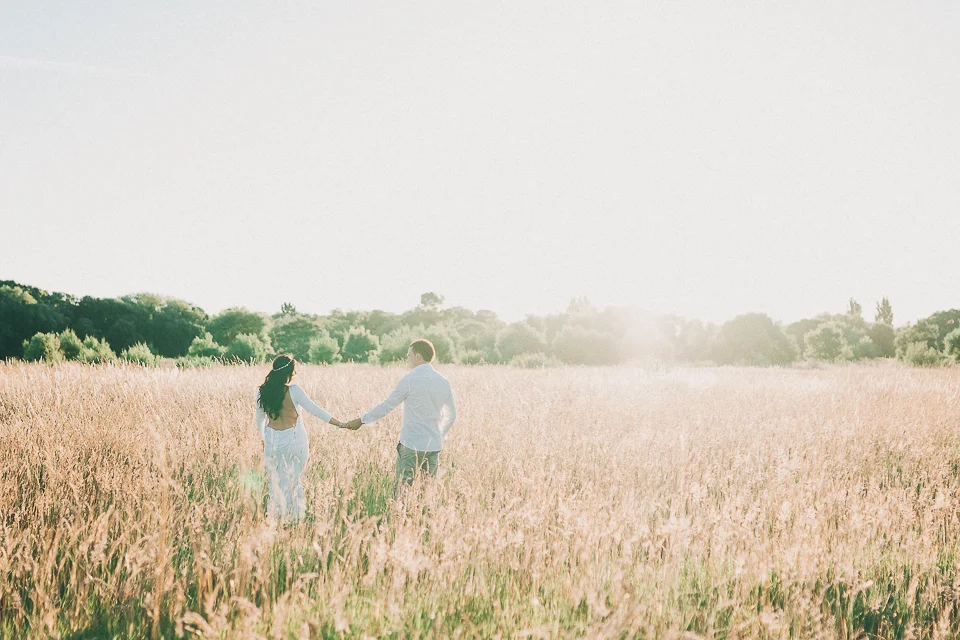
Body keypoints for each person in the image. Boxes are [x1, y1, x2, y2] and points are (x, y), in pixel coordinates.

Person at [344, 339, 456, 494]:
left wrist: (361, 420)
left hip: (411, 445)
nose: (407, 359)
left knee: (403, 494)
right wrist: (439, 434)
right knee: (428, 494)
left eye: (409, 356)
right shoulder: (443, 381)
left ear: (418, 357)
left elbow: (386, 406)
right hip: (433, 447)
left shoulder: (409, 380)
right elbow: (452, 415)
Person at [255, 354, 354, 521]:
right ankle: (293, 519)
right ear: (288, 373)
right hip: (293, 440)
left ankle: (276, 518)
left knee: (275, 481)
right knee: (293, 480)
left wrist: (263, 440)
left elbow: (259, 420)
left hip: (272, 441)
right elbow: (315, 410)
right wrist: (340, 424)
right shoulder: (294, 391)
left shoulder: (262, 391)